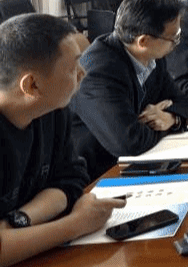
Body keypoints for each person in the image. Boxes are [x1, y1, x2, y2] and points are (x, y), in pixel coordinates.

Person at [0, 14, 125, 266]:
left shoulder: (51, 110)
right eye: (72, 68)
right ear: (32, 85)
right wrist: (75, 225)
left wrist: (20, 219)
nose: (83, 73)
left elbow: (70, 177)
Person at [69, 0, 188, 181]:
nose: (176, 44)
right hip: (97, 176)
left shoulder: (153, 56)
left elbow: (183, 102)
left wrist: (171, 118)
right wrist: (165, 126)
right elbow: (129, 142)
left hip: (136, 162)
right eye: (173, 38)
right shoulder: (97, 72)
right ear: (143, 41)